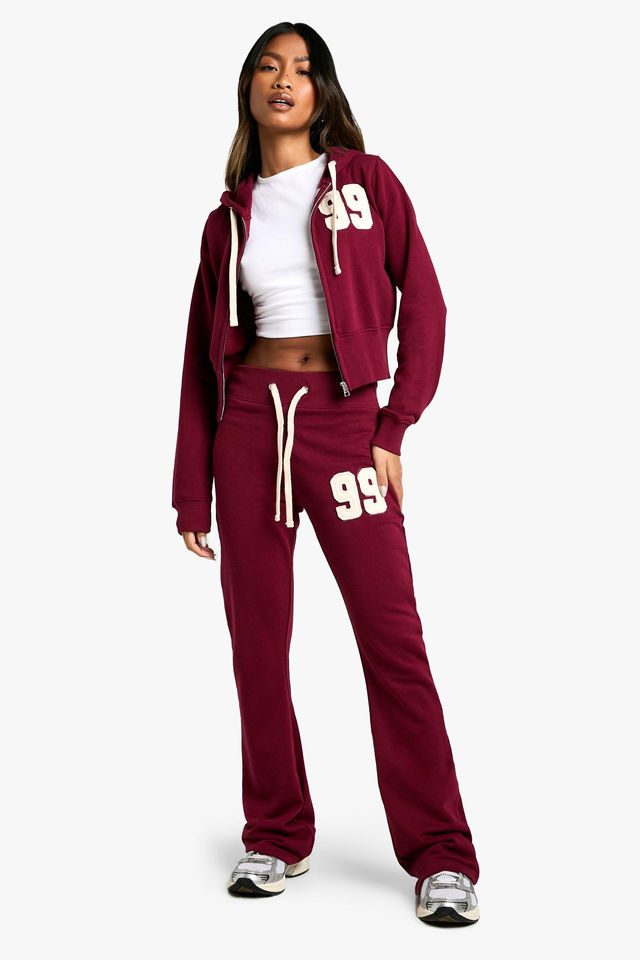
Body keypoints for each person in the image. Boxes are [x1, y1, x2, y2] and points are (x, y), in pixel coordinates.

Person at [171, 21, 481, 926]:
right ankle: (276, 834)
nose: (284, 80)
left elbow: (426, 303)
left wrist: (394, 425)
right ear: (249, 87)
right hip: (247, 432)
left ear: (322, 93)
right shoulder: (227, 219)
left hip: (347, 427)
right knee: (257, 644)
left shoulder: (367, 183)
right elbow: (198, 363)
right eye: (269, 66)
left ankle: (441, 855)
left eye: (302, 69)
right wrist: (192, 489)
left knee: (393, 639)